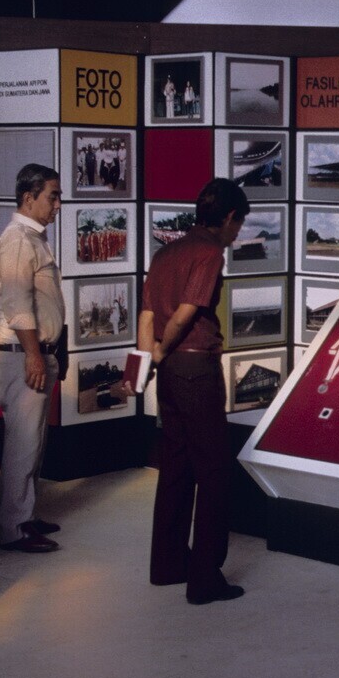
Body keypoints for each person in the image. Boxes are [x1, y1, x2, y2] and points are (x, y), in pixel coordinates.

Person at [140, 179, 250, 605]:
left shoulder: (166, 253)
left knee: (176, 465)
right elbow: (187, 312)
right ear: (228, 217)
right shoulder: (209, 253)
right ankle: (205, 578)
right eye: (239, 223)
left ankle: (168, 564)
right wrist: (164, 348)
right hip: (195, 369)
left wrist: (150, 359)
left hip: (168, 372)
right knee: (214, 471)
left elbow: (147, 314)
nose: (238, 232)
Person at [0, 164, 66, 553]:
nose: (58, 204)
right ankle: (15, 528)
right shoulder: (19, 240)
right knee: (23, 443)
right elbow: (18, 305)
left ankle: (26, 514)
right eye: (53, 196)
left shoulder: (33, 238)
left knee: (33, 440)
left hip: (33, 352)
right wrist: (34, 356)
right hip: (21, 353)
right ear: (28, 198)